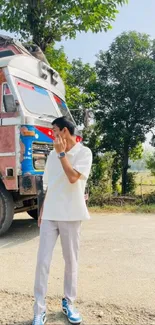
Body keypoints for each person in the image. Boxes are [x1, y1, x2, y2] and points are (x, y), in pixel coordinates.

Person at [32, 116, 92, 325]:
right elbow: (48, 185)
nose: (53, 135)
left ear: (65, 131)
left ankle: (69, 303)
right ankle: (39, 309)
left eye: (55, 131)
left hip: (72, 214)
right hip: (50, 214)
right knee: (42, 262)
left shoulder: (84, 153)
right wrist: (42, 211)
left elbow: (73, 177)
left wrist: (62, 155)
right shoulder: (51, 155)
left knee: (71, 262)